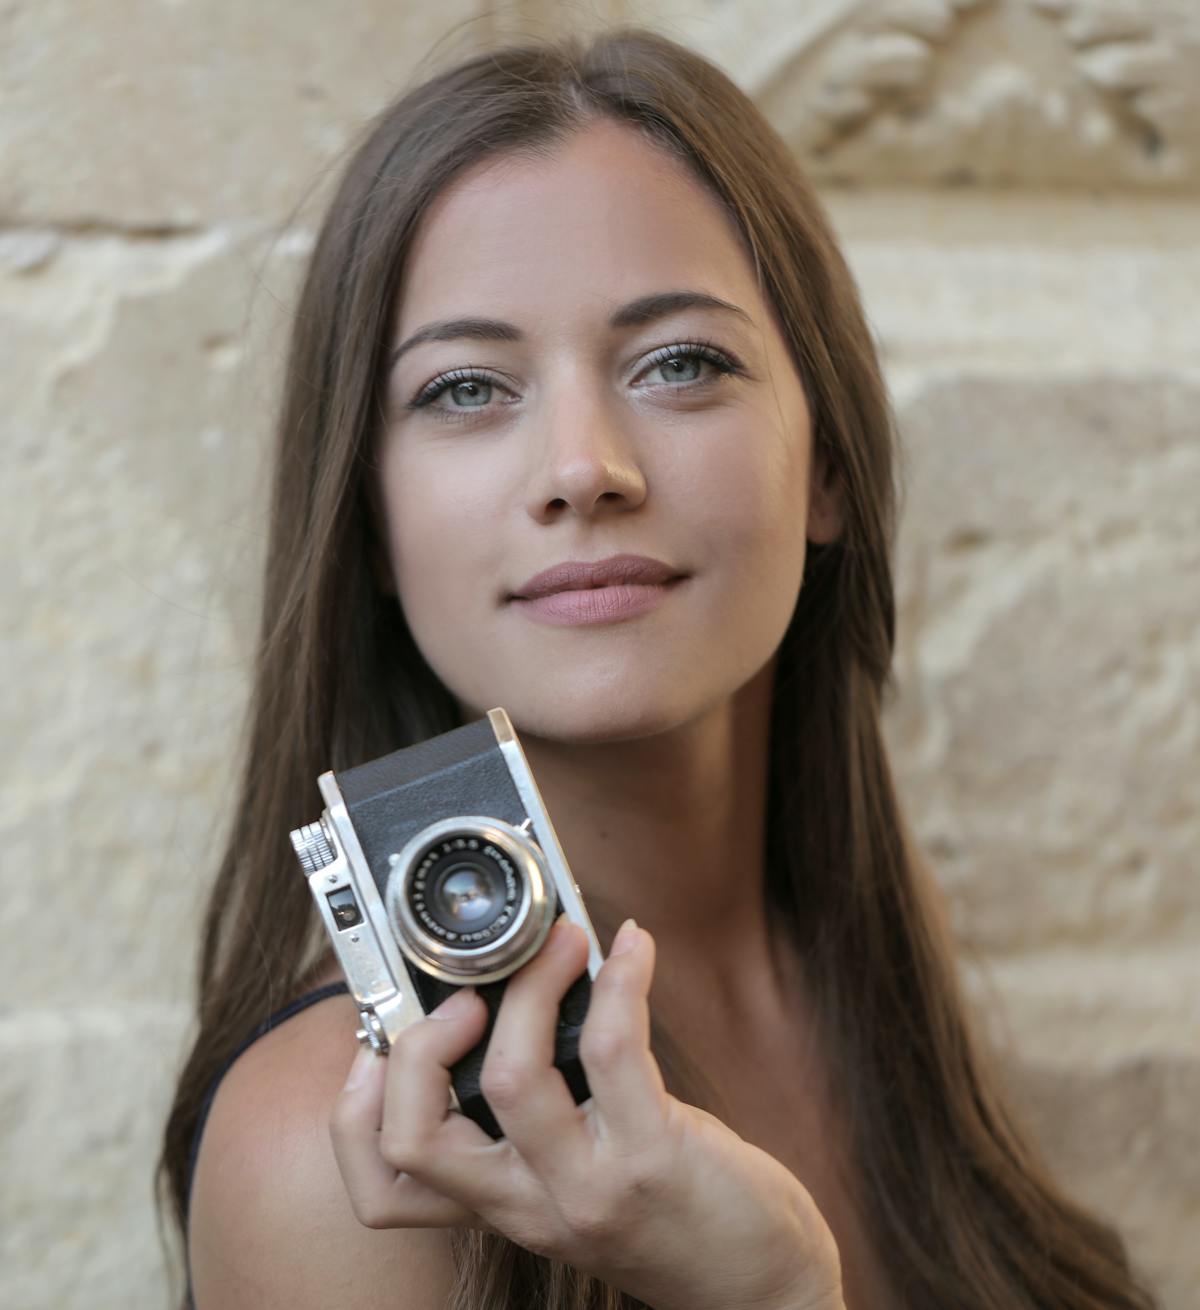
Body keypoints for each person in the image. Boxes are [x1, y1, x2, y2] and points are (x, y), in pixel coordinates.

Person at [158, 24, 1160, 1310]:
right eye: (467, 387)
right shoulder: (340, 1154)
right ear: (370, 525)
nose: (585, 466)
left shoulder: (858, 962)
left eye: (681, 362)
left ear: (831, 467)